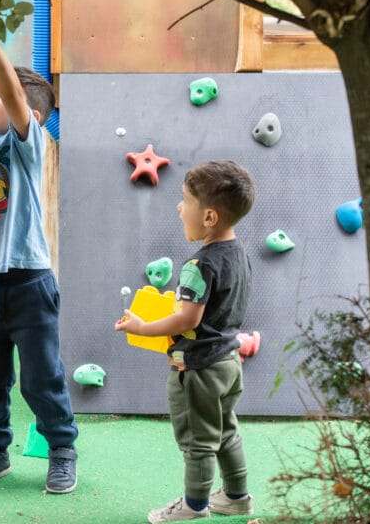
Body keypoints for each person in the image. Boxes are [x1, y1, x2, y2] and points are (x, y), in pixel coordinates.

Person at [0, 41, 78, 494]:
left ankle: (62, 451)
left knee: (41, 379)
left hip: (29, 282)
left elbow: (12, 96)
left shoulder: (28, 143)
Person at [115, 160, 256, 522]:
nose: (179, 208)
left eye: (185, 201)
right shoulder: (239, 255)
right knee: (225, 431)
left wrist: (141, 326)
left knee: (197, 441)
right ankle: (237, 496)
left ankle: (194, 506)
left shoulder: (198, 266)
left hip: (199, 370)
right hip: (229, 362)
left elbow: (187, 318)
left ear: (209, 217)